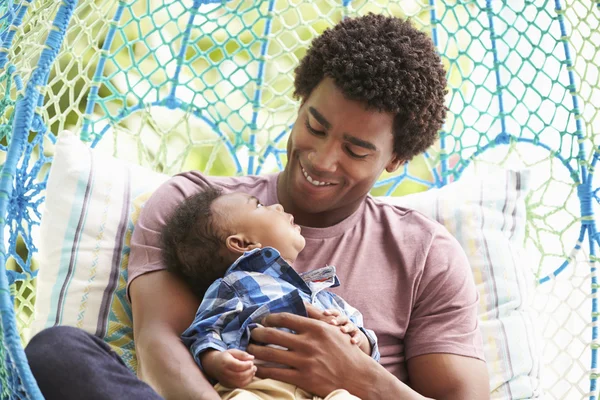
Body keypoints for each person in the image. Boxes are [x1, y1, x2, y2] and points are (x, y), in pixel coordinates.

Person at [25, 13, 490, 400]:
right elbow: (159, 341)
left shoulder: (427, 255)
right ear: (300, 99)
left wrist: (355, 374)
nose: (322, 158)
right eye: (316, 124)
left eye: (355, 150)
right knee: (57, 351)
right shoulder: (197, 207)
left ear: (396, 159)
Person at [162, 187, 378, 399]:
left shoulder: (322, 293)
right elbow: (204, 332)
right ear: (242, 243)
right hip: (262, 386)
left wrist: (356, 337)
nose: (277, 205)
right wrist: (217, 362)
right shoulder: (235, 284)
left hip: (330, 389)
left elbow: (369, 358)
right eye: (259, 205)